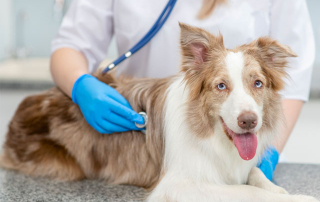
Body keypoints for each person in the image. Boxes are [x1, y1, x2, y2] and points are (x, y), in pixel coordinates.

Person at [50, 0, 315, 180]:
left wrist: (267, 155)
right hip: (145, 134)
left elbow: (296, 72)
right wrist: (79, 84)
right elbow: (72, 43)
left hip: (245, 142)